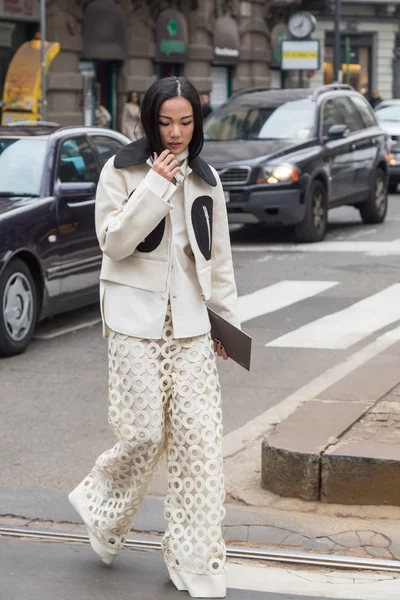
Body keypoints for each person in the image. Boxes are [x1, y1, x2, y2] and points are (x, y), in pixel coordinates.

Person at [68, 76, 240, 599]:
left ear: (197, 122)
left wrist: (225, 323)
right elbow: (114, 242)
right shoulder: (120, 171)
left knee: (199, 445)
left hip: (190, 324)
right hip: (132, 322)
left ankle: (197, 562)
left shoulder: (208, 180)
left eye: (186, 122)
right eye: (165, 122)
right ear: (149, 120)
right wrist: (155, 187)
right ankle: (101, 504)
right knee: (143, 434)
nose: (175, 133)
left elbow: (221, 260)